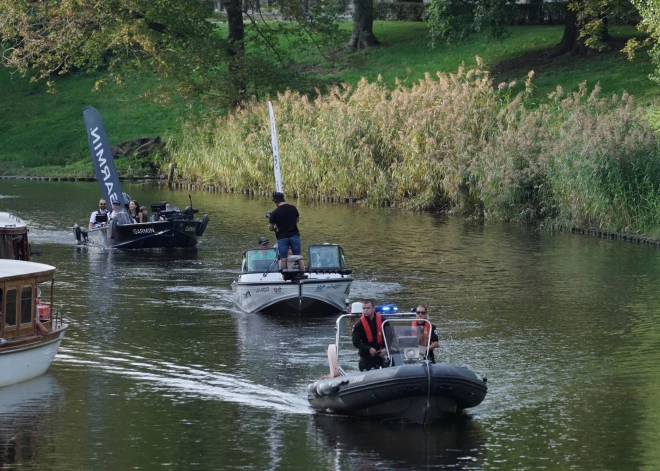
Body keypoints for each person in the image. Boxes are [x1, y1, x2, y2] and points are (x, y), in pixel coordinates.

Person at [352, 299, 393, 372]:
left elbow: (390, 337)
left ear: (373, 309)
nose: (365, 310)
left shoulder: (384, 321)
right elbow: (356, 342)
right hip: (366, 357)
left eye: (368, 308)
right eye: (364, 308)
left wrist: (386, 348)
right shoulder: (359, 325)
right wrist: (369, 349)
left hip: (381, 356)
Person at [268, 192, 305, 271]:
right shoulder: (293, 208)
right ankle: (303, 273)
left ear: (276, 201)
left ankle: (284, 276)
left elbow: (271, 228)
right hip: (294, 236)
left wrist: (276, 227)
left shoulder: (274, 213)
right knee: (298, 257)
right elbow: (297, 220)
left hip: (282, 238)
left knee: (283, 258)